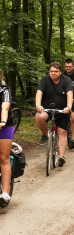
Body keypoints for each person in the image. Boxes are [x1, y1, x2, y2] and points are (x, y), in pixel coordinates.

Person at [36, 62, 73, 167]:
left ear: (60, 72)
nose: (53, 73)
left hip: (63, 110)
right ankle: (45, 135)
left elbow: (70, 94)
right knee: (39, 116)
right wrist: (38, 105)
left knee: (62, 132)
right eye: (51, 71)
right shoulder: (44, 80)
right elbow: (39, 93)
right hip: (47, 109)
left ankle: (61, 157)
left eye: (56, 71)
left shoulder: (66, 80)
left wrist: (68, 107)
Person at [0, 69, 14, 206]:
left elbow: (5, 108)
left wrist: (3, 121)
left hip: (4, 126)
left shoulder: (4, 91)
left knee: (3, 158)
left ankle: (5, 192)